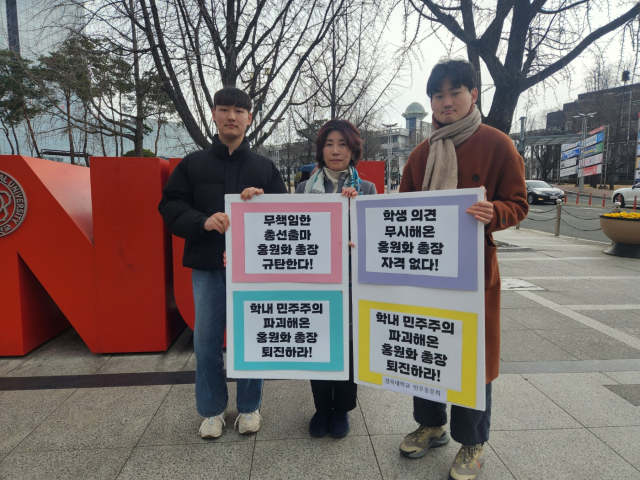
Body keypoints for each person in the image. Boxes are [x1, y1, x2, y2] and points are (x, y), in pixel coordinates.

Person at [397, 59, 528, 480]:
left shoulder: (497, 144)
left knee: (471, 358)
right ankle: (430, 423)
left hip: (473, 275)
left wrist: (495, 212)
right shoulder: (421, 153)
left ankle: (472, 442)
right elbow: (400, 212)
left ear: (474, 95)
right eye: (438, 95)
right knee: (425, 350)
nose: (446, 102)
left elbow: (519, 204)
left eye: (455, 92)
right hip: (425, 274)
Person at [158, 87, 287, 439]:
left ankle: (248, 408)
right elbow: (170, 206)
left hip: (254, 273)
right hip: (208, 267)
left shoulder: (264, 168)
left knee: (252, 339)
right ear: (213, 114)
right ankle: (212, 411)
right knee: (206, 342)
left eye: (239, 111)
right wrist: (202, 221)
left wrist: (262, 203)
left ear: (250, 117)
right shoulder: (192, 164)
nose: (232, 116)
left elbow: (287, 216)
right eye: (224, 109)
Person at [295, 119, 376, 438]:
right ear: (321, 150)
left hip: (352, 284)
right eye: (329, 144)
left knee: (347, 349)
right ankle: (321, 408)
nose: (335, 150)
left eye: (342, 144)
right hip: (315, 283)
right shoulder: (303, 189)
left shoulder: (366, 189)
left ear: (353, 149)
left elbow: (376, 240)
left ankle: (341, 409)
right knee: (319, 346)